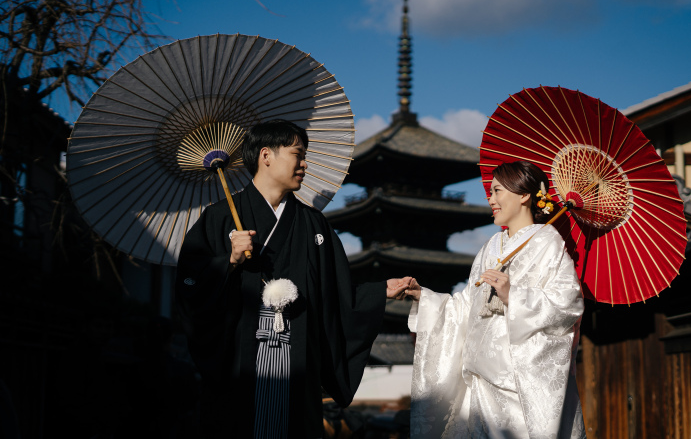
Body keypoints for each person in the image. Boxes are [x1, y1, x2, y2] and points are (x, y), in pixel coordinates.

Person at [175, 119, 411, 438]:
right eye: (297, 154)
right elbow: (190, 288)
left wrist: (380, 291)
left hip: (297, 363)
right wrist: (227, 262)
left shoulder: (314, 225)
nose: (304, 163)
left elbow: (337, 295)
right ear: (266, 155)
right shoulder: (218, 219)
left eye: (305, 155)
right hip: (241, 364)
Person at [405, 161, 586, 438]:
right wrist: (426, 298)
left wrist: (514, 295)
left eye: (497, 191)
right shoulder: (491, 246)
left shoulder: (547, 242)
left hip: (518, 380)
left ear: (524, 195)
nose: (491, 200)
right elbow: (466, 305)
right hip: (480, 379)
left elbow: (567, 304)